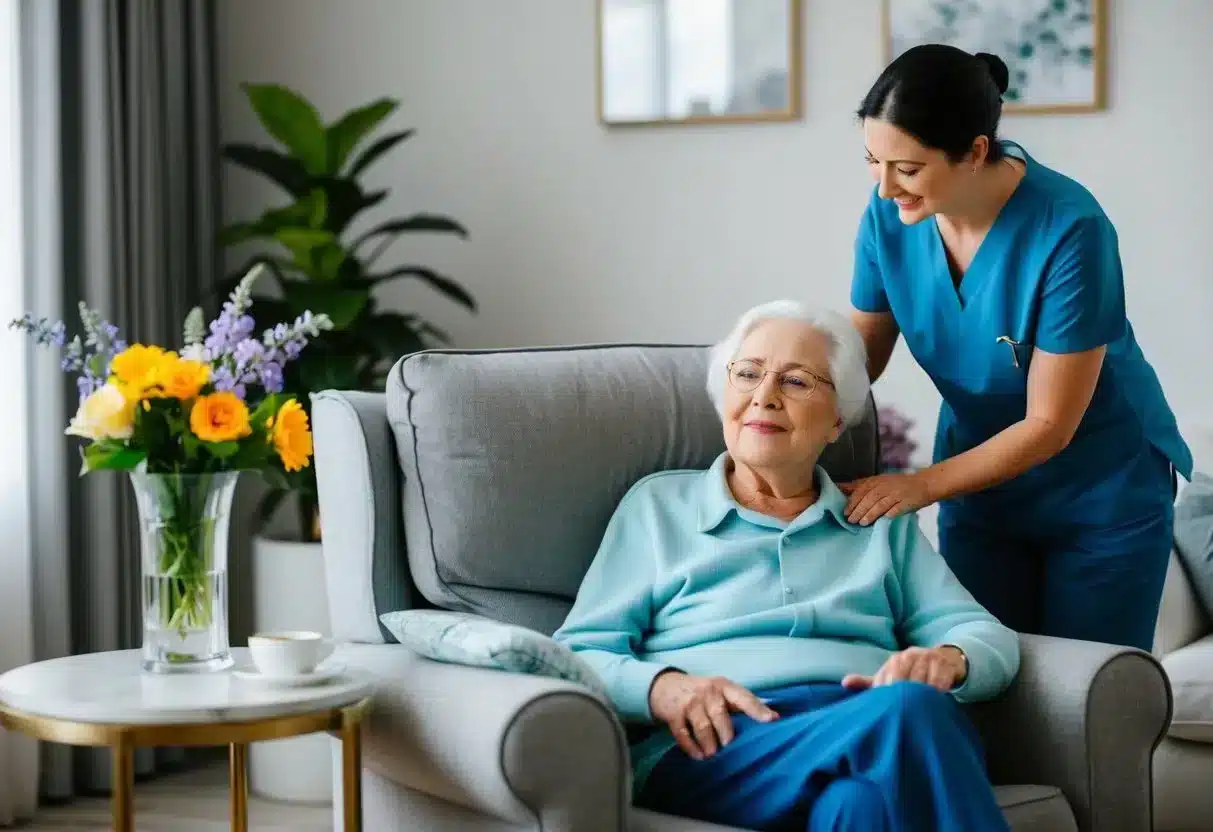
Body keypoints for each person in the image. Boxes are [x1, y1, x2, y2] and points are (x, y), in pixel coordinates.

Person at [553, 301, 1018, 832]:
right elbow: (577, 652)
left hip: (860, 722)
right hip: (717, 743)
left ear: (838, 419)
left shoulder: (878, 522)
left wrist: (951, 658)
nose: (764, 396)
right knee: (914, 712)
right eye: (747, 374)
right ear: (724, 394)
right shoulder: (660, 508)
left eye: (796, 382)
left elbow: (987, 635)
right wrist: (663, 688)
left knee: (856, 807)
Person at [844, 44, 1191, 652]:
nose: (885, 186)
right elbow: (858, 363)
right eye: (874, 161)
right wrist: (774, 390)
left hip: (1099, 491)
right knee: (986, 686)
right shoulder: (888, 219)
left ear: (976, 152)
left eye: (907, 167)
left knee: (1086, 701)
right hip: (979, 486)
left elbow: (1051, 425)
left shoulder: (1069, 228)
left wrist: (917, 486)